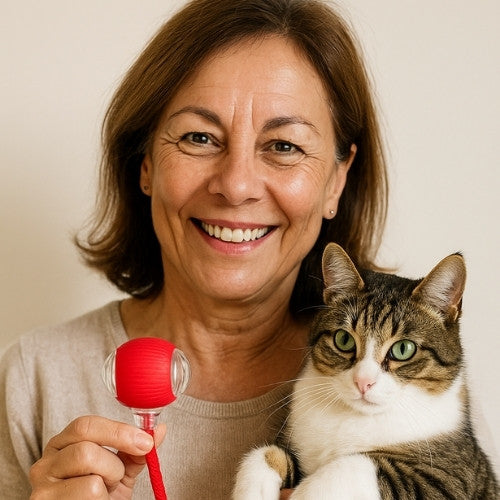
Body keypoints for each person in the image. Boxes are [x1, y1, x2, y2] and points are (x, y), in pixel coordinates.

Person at [0, 0, 388, 498]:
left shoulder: (412, 392)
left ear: (337, 179)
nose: (237, 185)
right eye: (199, 137)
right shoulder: (34, 378)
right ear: (145, 164)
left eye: (284, 146)